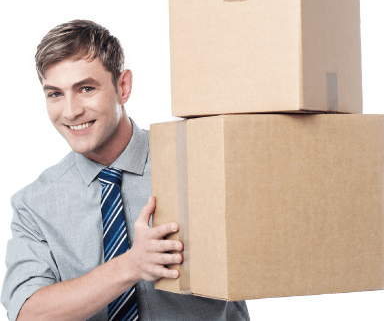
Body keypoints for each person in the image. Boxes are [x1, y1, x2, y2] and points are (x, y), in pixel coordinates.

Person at [0, 19, 251, 321]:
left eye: (86, 88)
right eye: (55, 94)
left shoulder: (197, 160)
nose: (70, 111)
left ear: (123, 86)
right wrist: (131, 265)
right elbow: (28, 312)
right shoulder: (34, 203)